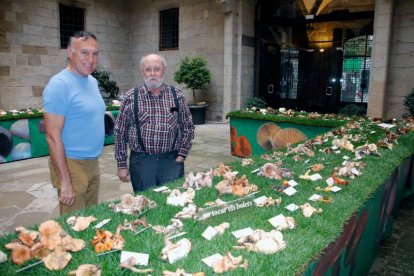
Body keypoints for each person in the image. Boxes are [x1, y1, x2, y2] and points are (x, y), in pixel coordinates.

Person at [42, 31, 105, 215]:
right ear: (70, 52)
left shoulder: (92, 81)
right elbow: (52, 137)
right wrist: (66, 182)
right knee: (75, 226)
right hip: (71, 164)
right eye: (84, 52)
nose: (91, 59)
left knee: (91, 219)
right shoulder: (59, 85)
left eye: (95, 53)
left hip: (93, 162)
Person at [114, 53, 195, 192]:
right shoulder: (131, 97)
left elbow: (188, 127)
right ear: (142, 71)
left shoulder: (177, 96)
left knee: (173, 202)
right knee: (145, 204)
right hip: (142, 163)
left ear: (163, 69)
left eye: (156, 69)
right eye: (148, 69)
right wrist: (122, 165)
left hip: (171, 162)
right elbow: (120, 132)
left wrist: (182, 155)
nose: (152, 73)